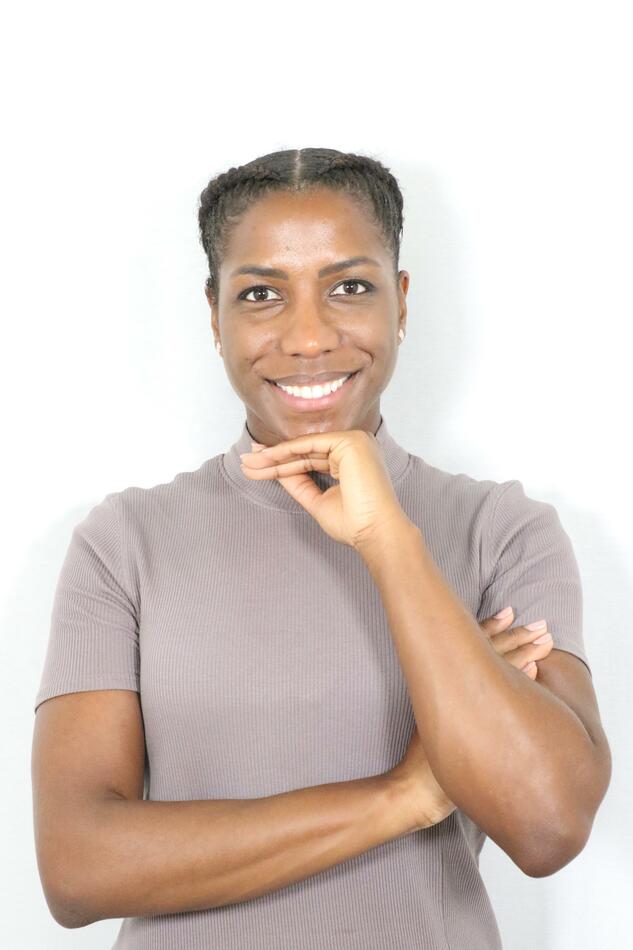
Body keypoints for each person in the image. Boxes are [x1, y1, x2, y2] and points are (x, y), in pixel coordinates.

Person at [32, 148, 611, 949]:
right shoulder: (125, 542)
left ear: (400, 302)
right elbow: (78, 867)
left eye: (349, 287)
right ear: (214, 317)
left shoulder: (502, 532)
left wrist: (388, 541)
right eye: (260, 294)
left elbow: (546, 825)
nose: (308, 338)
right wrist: (402, 797)